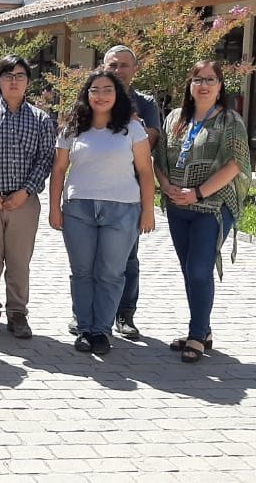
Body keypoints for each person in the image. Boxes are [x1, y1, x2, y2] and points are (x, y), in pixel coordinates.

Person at [48, 70, 155, 355]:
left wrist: (149, 212)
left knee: (111, 273)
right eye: (95, 90)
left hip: (122, 210)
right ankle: (84, 328)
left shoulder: (132, 129)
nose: (101, 95)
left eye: (107, 89)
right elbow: (58, 170)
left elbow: (146, 172)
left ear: (117, 94)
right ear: (87, 94)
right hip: (78, 209)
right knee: (82, 272)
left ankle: (102, 331)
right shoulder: (72, 128)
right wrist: (54, 208)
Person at [154, 60, 250, 363]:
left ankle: (197, 336)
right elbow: (159, 159)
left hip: (212, 207)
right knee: (189, 271)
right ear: (189, 85)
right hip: (177, 207)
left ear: (220, 86)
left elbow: (236, 164)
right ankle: (202, 330)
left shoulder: (230, 121)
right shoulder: (173, 119)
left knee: (199, 269)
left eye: (210, 80)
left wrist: (196, 193)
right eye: (198, 80)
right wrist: (167, 186)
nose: (204, 85)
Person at [0, 55, 56, 339]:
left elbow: (45, 159)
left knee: (18, 262)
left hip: (23, 203)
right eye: (7, 76)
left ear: (28, 81)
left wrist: (25, 191)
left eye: (19, 76)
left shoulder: (40, 119)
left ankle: (18, 313)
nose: (13, 81)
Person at [102, 45, 162, 340]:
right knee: (91, 257)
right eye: (113, 65)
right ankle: (89, 312)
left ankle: (125, 314)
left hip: (130, 193)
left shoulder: (146, 103)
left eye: (124, 65)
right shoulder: (94, 98)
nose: (118, 71)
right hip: (94, 191)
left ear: (134, 70)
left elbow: (149, 140)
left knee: (128, 258)